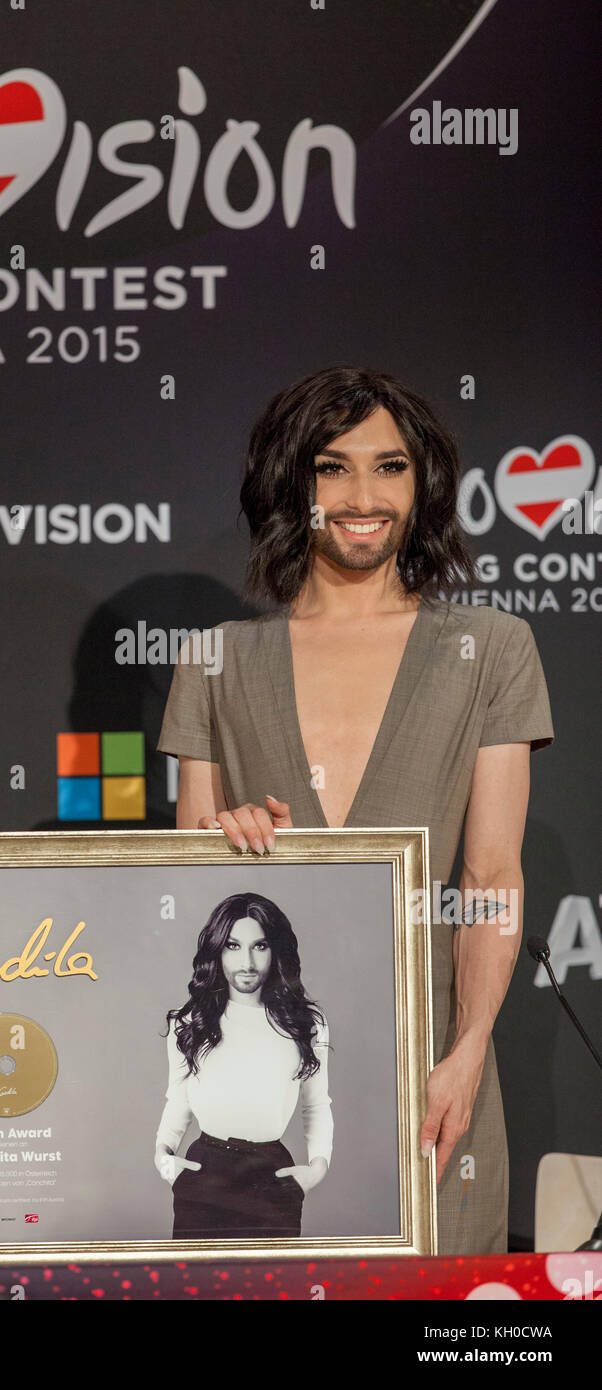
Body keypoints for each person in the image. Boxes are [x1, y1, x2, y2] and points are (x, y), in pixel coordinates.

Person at [157, 366, 554, 1255]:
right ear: (290, 485)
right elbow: (185, 879)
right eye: (331, 468)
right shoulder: (215, 659)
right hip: (255, 1091)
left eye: (392, 467)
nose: (363, 496)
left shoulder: (491, 650)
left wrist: (466, 1055)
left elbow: (489, 878)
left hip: (431, 1069)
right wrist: (227, 842)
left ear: (424, 486)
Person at [155, 891, 332, 1239]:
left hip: (272, 1178)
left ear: (275, 949)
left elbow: (316, 1103)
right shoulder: (188, 1021)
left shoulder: (306, 1023)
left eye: (260, 946)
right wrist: (164, 1159)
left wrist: (317, 1168)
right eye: (233, 946)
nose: (247, 962)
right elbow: (178, 1099)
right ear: (217, 950)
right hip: (204, 1173)